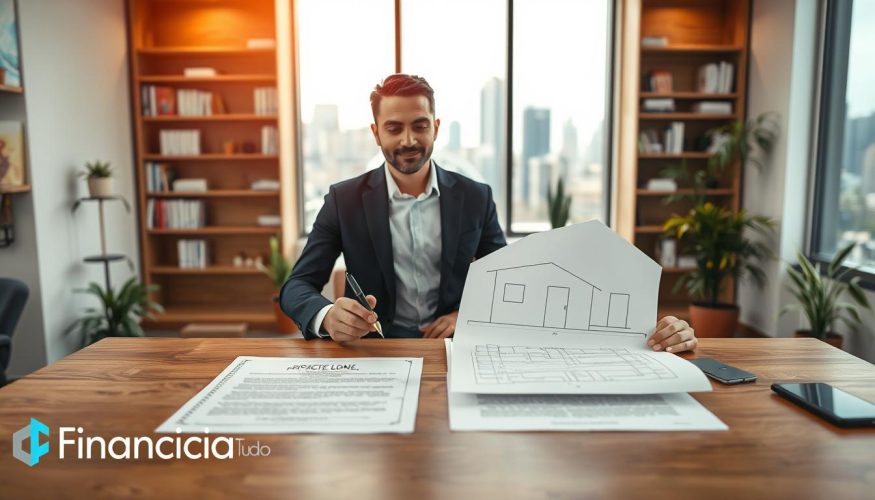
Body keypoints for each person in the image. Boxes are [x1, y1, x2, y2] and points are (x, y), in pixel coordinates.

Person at [280, 73, 698, 354]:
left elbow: (509, 277)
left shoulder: (476, 197)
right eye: (394, 128)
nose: (409, 139)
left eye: (420, 125)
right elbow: (297, 285)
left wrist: (466, 315)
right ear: (376, 132)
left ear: (436, 127)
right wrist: (327, 315)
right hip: (377, 349)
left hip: (459, 350)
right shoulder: (343, 199)